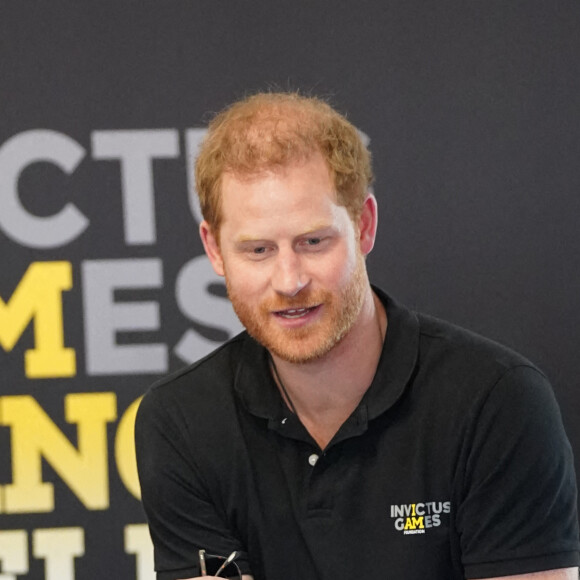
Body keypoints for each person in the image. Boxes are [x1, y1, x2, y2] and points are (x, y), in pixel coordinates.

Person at [135, 92, 580, 580]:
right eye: (258, 250)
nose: (289, 280)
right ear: (214, 251)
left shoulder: (497, 402)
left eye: (313, 242)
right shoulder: (181, 422)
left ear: (364, 226)